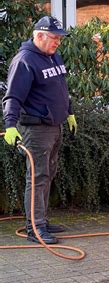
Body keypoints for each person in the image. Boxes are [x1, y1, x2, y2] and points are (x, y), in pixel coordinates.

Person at [2, 16, 77, 244]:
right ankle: (35, 228)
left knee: (48, 174)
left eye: (59, 39)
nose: (58, 43)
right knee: (37, 178)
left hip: (54, 126)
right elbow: (13, 96)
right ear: (40, 35)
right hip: (35, 129)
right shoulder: (25, 60)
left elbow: (61, 88)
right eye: (55, 38)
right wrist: (10, 126)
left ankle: (41, 219)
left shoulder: (53, 56)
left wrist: (69, 112)